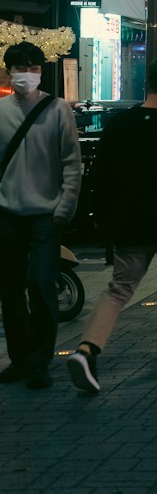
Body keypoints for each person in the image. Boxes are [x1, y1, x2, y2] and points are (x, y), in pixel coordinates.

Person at [65, 57, 157, 393]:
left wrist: (105, 220)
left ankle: (87, 348)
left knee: (118, 290)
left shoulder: (120, 124)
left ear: (146, 83)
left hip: (129, 226)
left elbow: (101, 177)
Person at [0, 41, 82, 390]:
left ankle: (39, 362)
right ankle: (20, 359)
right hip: (6, 215)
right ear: (8, 71)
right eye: (21, 68)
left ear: (41, 71)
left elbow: (71, 163)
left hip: (46, 216)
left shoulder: (58, 109)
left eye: (33, 68)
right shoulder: (1, 111)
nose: (27, 75)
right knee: (10, 290)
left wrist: (64, 208)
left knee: (41, 284)